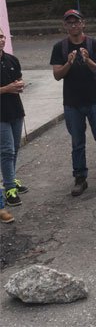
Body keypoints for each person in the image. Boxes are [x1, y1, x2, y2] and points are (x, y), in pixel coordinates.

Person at [50, 9, 96, 196]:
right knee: (77, 142)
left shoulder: (93, 44)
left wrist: (87, 60)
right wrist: (69, 63)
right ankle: (80, 178)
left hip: (94, 99)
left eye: (76, 22)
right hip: (72, 102)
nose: (73, 25)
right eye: (69, 23)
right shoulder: (60, 47)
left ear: (83, 23)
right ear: (65, 26)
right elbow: (57, 75)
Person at [0, 27, 28, 207]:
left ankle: (11, 177)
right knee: (7, 150)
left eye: (1, 36)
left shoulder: (11, 59)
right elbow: (8, 87)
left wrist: (19, 85)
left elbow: (18, 79)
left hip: (16, 110)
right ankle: (9, 187)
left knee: (15, 147)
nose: (1, 40)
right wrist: (5, 89)